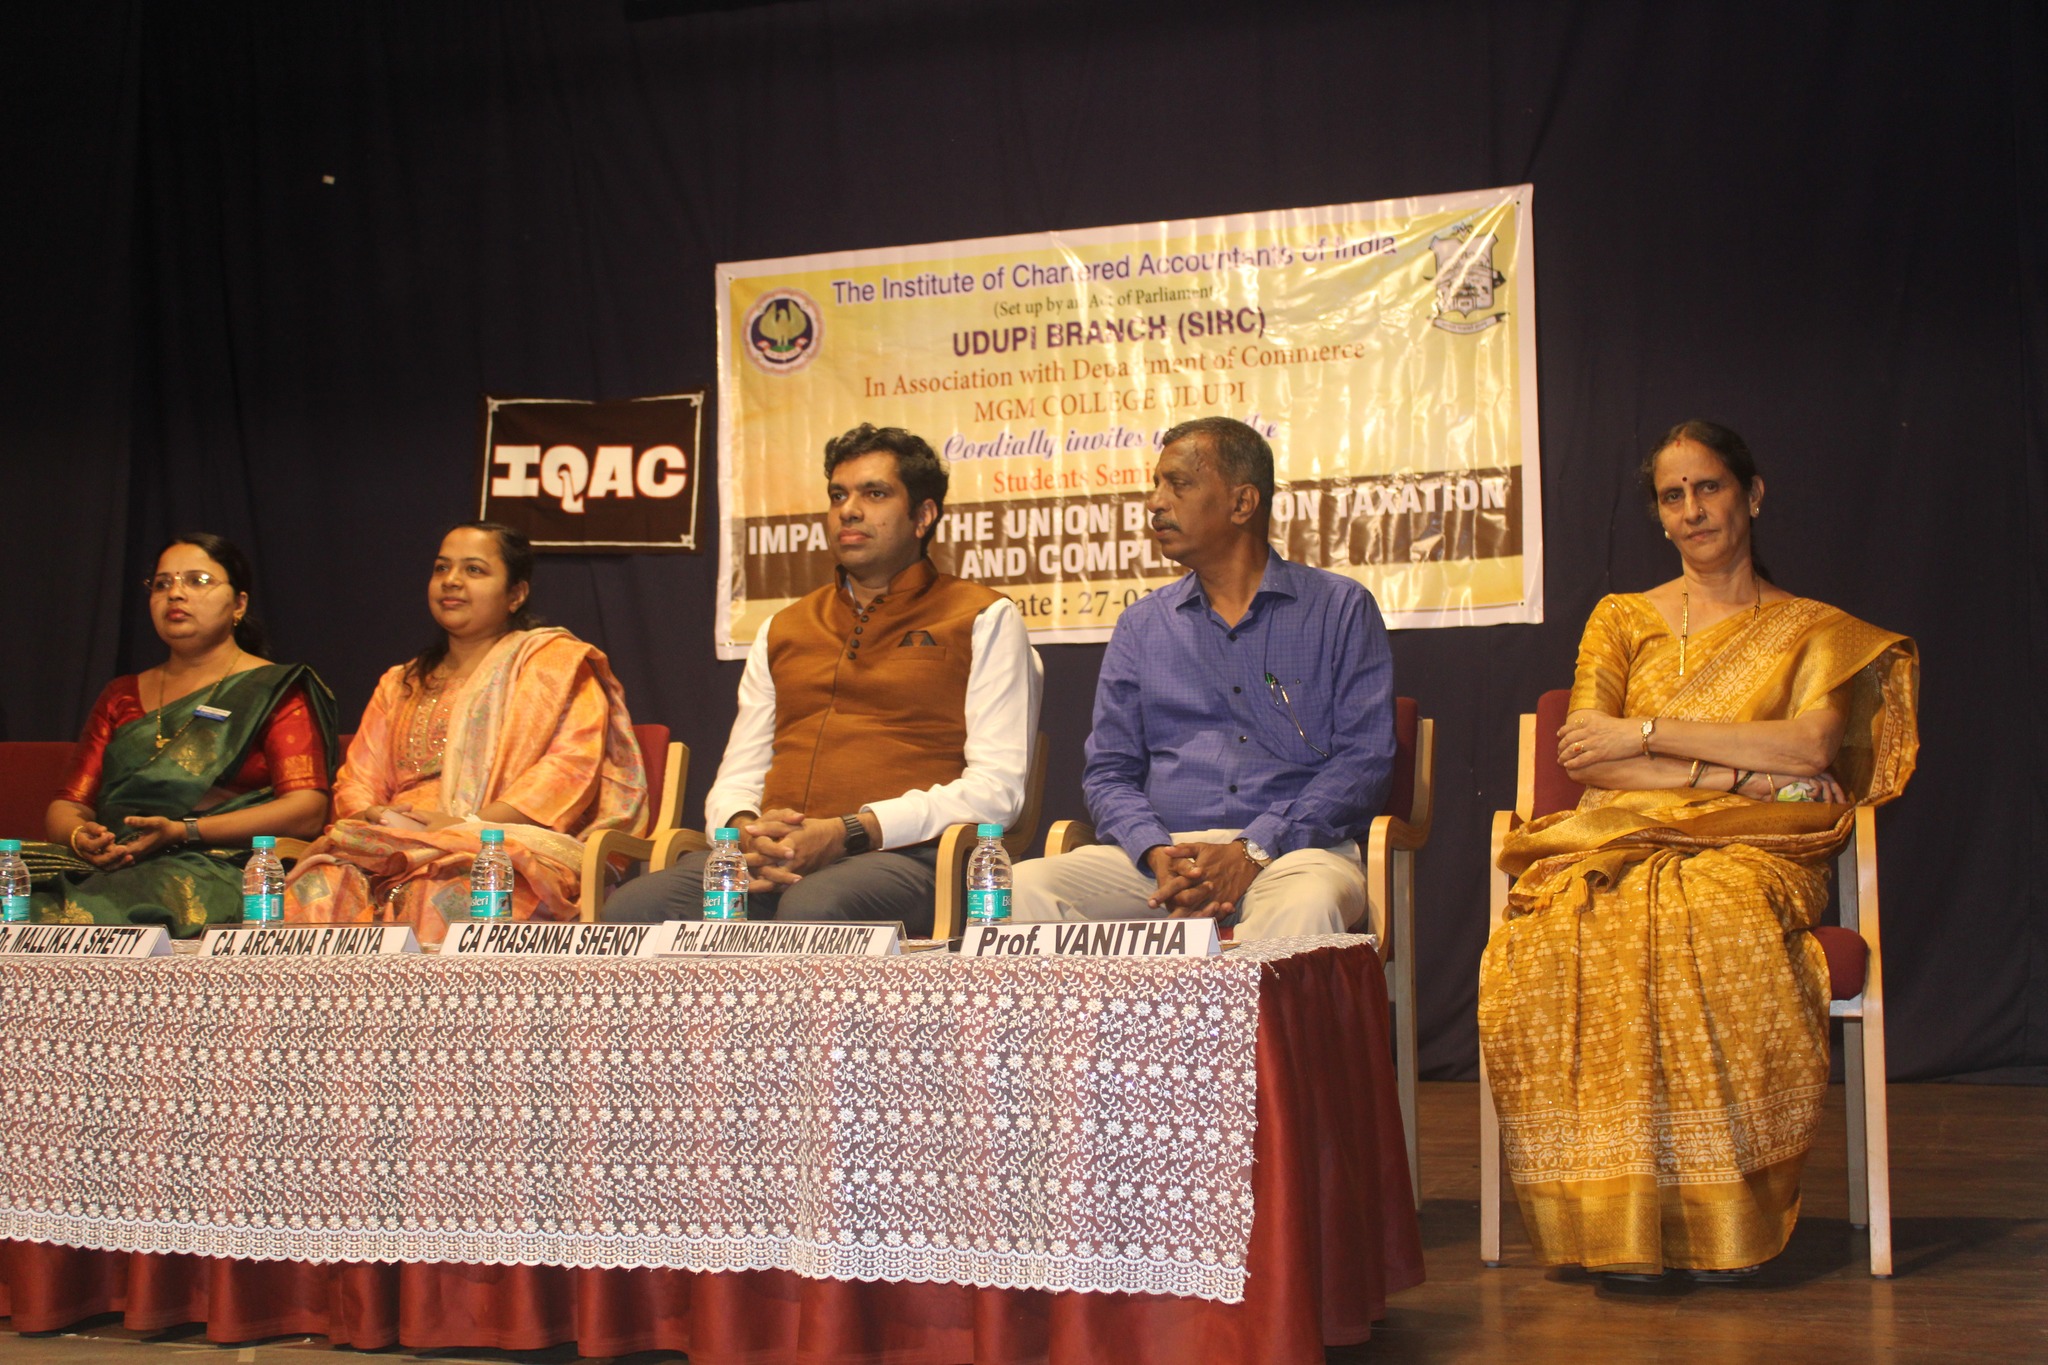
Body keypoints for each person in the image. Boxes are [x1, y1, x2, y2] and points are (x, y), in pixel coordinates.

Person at [1478, 420, 1919, 1282]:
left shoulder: (1812, 629)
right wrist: (1742, 773)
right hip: (1619, 833)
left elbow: (1810, 748)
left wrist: (1646, 734)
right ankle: (1612, 1217)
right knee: (1564, 929)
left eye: (1708, 487)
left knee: (1713, 915)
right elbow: (1585, 753)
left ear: (1751, 494)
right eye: (1672, 496)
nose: (1692, 510)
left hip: (1757, 848)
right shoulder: (1622, 618)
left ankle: (1716, 1217)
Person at [603, 423, 1040, 937]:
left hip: (910, 858)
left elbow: (996, 791)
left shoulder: (982, 617)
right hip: (772, 859)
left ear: (923, 516)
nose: (848, 510)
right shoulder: (784, 627)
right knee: (633, 911)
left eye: (874, 494)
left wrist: (850, 831)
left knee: (814, 909)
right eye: (838, 495)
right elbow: (738, 777)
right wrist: (746, 830)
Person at [1009, 416, 1395, 940]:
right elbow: (1109, 772)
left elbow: (1364, 762)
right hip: (1162, 862)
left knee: (1306, 907)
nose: (1155, 502)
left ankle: (1258, 1003)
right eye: (1156, 485)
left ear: (1242, 504)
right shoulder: (1142, 625)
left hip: (1294, 855)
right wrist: (1154, 850)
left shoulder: (1339, 608)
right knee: (1023, 890)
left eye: (1178, 484)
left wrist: (1252, 849)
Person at [282, 522, 647, 945]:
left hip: (503, 842)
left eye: (474, 570)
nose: (451, 581)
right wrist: (374, 815)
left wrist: (466, 825)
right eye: (442, 568)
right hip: (389, 841)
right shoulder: (400, 682)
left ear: (516, 594)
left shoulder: (555, 666)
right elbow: (357, 780)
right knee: (320, 886)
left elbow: (569, 770)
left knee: (444, 888)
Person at [29, 533, 337, 936]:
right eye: (162, 584)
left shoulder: (272, 689)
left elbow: (306, 809)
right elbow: (69, 804)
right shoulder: (121, 694)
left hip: (217, 865)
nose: (175, 593)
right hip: (113, 863)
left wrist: (184, 831)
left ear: (239, 604)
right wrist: (79, 837)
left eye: (197, 581)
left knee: (112, 906)